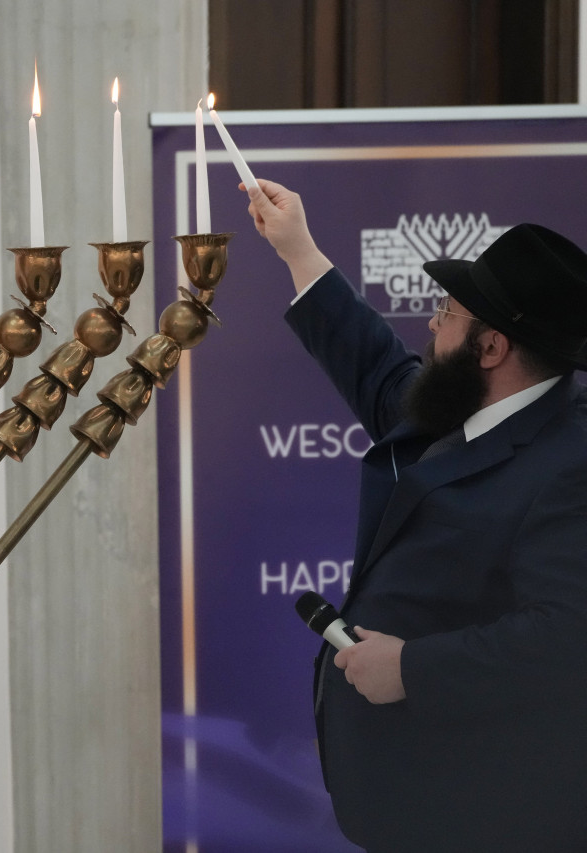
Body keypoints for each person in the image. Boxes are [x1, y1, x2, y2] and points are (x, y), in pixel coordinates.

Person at [245, 179, 587, 852]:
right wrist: (299, 250)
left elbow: (567, 636)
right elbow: (378, 368)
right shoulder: (468, 404)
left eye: (447, 312)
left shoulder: (571, 464)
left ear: (491, 347)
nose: (432, 325)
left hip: (488, 818)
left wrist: (412, 667)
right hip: (410, 800)